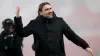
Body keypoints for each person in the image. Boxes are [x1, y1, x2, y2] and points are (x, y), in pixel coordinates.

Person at [14, 2, 94, 56]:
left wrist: (85, 45)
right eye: (46, 9)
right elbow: (21, 33)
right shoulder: (34, 23)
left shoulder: (60, 21)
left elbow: (72, 36)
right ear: (40, 13)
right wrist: (17, 17)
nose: (50, 11)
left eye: (50, 8)